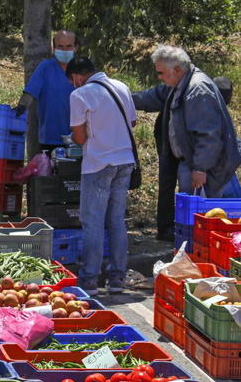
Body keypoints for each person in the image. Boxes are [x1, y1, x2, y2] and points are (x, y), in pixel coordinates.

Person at [133, 45, 241, 205]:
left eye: (161, 73)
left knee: (201, 218)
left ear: (176, 70)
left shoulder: (197, 90)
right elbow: (154, 96)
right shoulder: (180, 84)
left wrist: (200, 168)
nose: (159, 77)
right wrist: (123, 98)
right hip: (192, 163)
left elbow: (209, 135)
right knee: (191, 218)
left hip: (205, 169)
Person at [66, 57, 137, 296]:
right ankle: (117, 278)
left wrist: (89, 128)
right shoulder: (122, 87)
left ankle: (89, 280)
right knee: (116, 220)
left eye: (73, 81)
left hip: (98, 164)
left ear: (76, 76)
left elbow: (78, 139)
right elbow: (133, 121)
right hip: (125, 161)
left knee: (93, 221)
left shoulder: (80, 94)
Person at [138, 71, 235, 242]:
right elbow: (207, 137)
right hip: (173, 147)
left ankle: (193, 234)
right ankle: (173, 230)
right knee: (173, 188)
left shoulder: (202, 94)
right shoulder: (188, 89)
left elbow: (211, 138)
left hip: (189, 155)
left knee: (194, 199)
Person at [13, 29, 79, 154]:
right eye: (60, 46)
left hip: (77, 139)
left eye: (68, 46)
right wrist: (22, 106)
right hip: (50, 138)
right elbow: (30, 93)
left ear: (76, 47)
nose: (64, 50)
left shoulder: (81, 69)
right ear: (54, 48)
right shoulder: (45, 68)